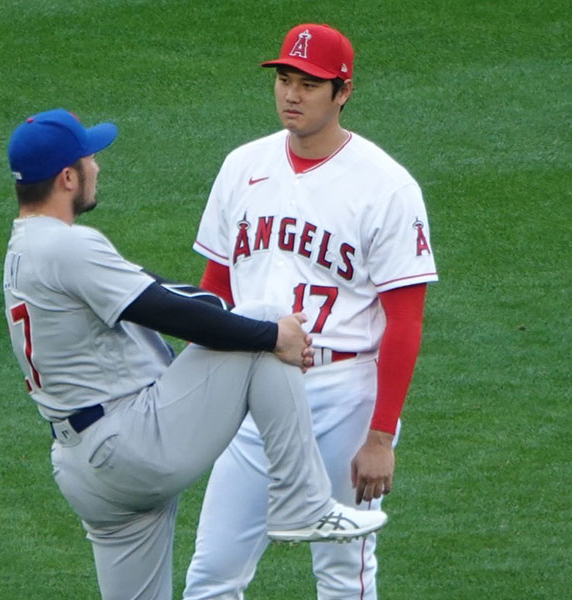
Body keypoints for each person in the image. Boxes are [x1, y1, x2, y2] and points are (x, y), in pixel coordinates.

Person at [1, 108, 388, 600]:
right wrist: (271, 337)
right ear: (67, 177)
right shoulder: (68, 248)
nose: (98, 168)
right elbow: (165, 309)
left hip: (82, 467)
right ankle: (302, 503)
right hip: (128, 444)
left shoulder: (25, 248)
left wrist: (231, 317)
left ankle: (300, 498)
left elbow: (161, 291)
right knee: (266, 318)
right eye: (91, 159)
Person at [185, 24, 438, 599]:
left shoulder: (387, 187)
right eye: (283, 79)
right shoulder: (242, 166)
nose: (291, 94)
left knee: (343, 575)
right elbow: (214, 288)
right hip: (252, 386)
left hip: (341, 392)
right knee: (212, 574)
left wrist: (379, 436)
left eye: (309, 83)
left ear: (342, 92)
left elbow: (406, 319)